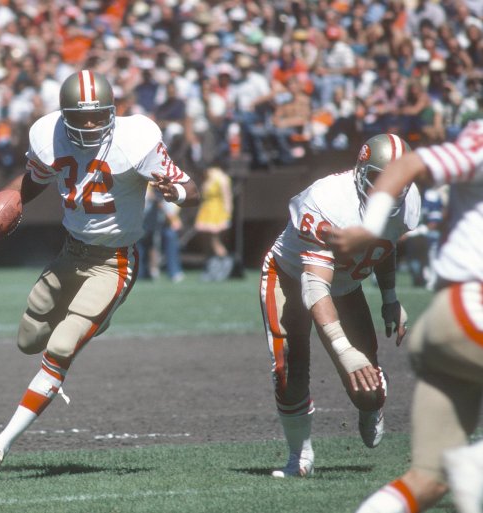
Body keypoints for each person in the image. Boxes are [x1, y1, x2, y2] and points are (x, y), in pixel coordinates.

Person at [0, 69, 200, 482]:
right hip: (70, 254)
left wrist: (175, 192)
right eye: (82, 116)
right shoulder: (47, 135)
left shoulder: (138, 140)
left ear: (113, 112)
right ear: (65, 114)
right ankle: (95, 317)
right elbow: (35, 180)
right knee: (28, 339)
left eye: (99, 116)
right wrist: (3, 202)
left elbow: (188, 189)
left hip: (114, 261)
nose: (91, 124)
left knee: (60, 346)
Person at [327, 119, 483, 513]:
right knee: (463, 468)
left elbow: (406, 168)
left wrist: (373, 229)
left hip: (445, 318)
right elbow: (402, 166)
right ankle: (475, 464)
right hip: (473, 310)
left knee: (428, 481)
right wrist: (371, 228)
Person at [259, 133, 421, 478]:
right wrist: (341, 346)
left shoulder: (408, 203)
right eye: (380, 178)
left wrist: (390, 297)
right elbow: (315, 285)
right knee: (289, 363)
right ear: (360, 172)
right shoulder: (326, 200)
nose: (390, 189)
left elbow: (383, 248)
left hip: (346, 285)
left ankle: (372, 406)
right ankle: (299, 457)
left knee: (367, 391)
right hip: (290, 274)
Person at [194, 166, 234, 282]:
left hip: (217, 211)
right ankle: (211, 267)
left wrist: (227, 215)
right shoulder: (209, 177)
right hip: (207, 210)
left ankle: (225, 266)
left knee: (215, 241)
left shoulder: (220, 178)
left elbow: (227, 197)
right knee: (208, 241)